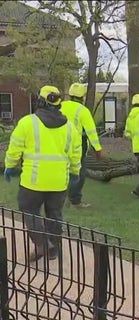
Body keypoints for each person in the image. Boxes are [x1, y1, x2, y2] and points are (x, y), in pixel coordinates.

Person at [4, 85, 82, 262]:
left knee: (30, 210)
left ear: (40, 101)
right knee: (55, 214)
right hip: (59, 182)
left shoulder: (27, 122)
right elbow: (75, 153)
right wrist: (75, 172)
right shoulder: (70, 128)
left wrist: (9, 165)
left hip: (33, 182)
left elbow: (15, 147)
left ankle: (44, 245)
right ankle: (51, 248)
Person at [60, 83, 102, 208]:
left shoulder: (60, 106)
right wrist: (97, 148)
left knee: (63, 172)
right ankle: (75, 200)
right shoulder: (83, 110)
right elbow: (91, 131)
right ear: (82, 97)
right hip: (77, 147)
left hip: (59, 144)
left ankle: (60, 199)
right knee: (79, 173)